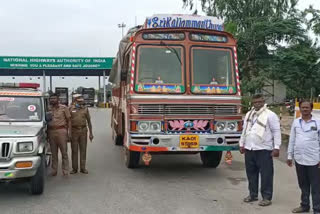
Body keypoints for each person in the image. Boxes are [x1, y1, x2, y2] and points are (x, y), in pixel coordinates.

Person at [239, 94, 281, 206]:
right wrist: (241, 144)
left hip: (264, 149)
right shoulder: (249, 114)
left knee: (266, 174)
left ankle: (267, 197)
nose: (257, 104)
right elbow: (245, 130)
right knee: (251, 173)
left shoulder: (270, 115)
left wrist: (276, 147)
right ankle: (253, 195)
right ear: (252, 103)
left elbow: (276, 131)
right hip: (250, 148)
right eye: (255, 102)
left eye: (260, 102)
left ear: (263, 102)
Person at [287, 100, 320, 214]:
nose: (305, 109)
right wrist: (289, 155)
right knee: (303, 184)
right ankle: (304, 205)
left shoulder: (318, 122)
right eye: (302, 107)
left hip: (314, 160)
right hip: (299, 159)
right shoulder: (296, 122)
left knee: (316, 186)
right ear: (300, 109)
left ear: (311, 109)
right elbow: (292, 139)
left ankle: (317, 209)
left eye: (307, 107)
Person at [47, 93, 71, 176]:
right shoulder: (47, 108)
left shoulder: (64, 108)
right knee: (53, 153)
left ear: (58, 99)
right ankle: (54, 170)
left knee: (64, 152)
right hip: (51, 132)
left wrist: (69, 133)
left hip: (61, 131)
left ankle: (65, 170)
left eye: (54, 98)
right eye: (51, 98)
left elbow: (69, 121)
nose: (52, 100)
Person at [69, 96, 93, 174]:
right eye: (79, 101)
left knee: (83, 150)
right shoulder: (71, 109)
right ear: (75, 101)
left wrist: (91, 133)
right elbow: (68, 121)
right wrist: (68, 133)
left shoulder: (85, 109)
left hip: (83, 130)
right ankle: (74, 168)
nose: (81, 103)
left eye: (82, 102)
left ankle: (83, 168)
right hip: (74, 131)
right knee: (74, 150)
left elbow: (89, 121)